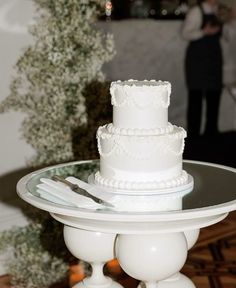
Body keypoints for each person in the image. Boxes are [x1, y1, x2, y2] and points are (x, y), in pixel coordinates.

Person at [182, 0, 223, 138]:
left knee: (214, 96)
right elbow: (185, 34)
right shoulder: (196, 11)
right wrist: (204, 32)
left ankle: (211, 134)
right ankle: (194, 137)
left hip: (214, 59)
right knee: (196, 97)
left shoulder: (218, 11)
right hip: (197, 60)